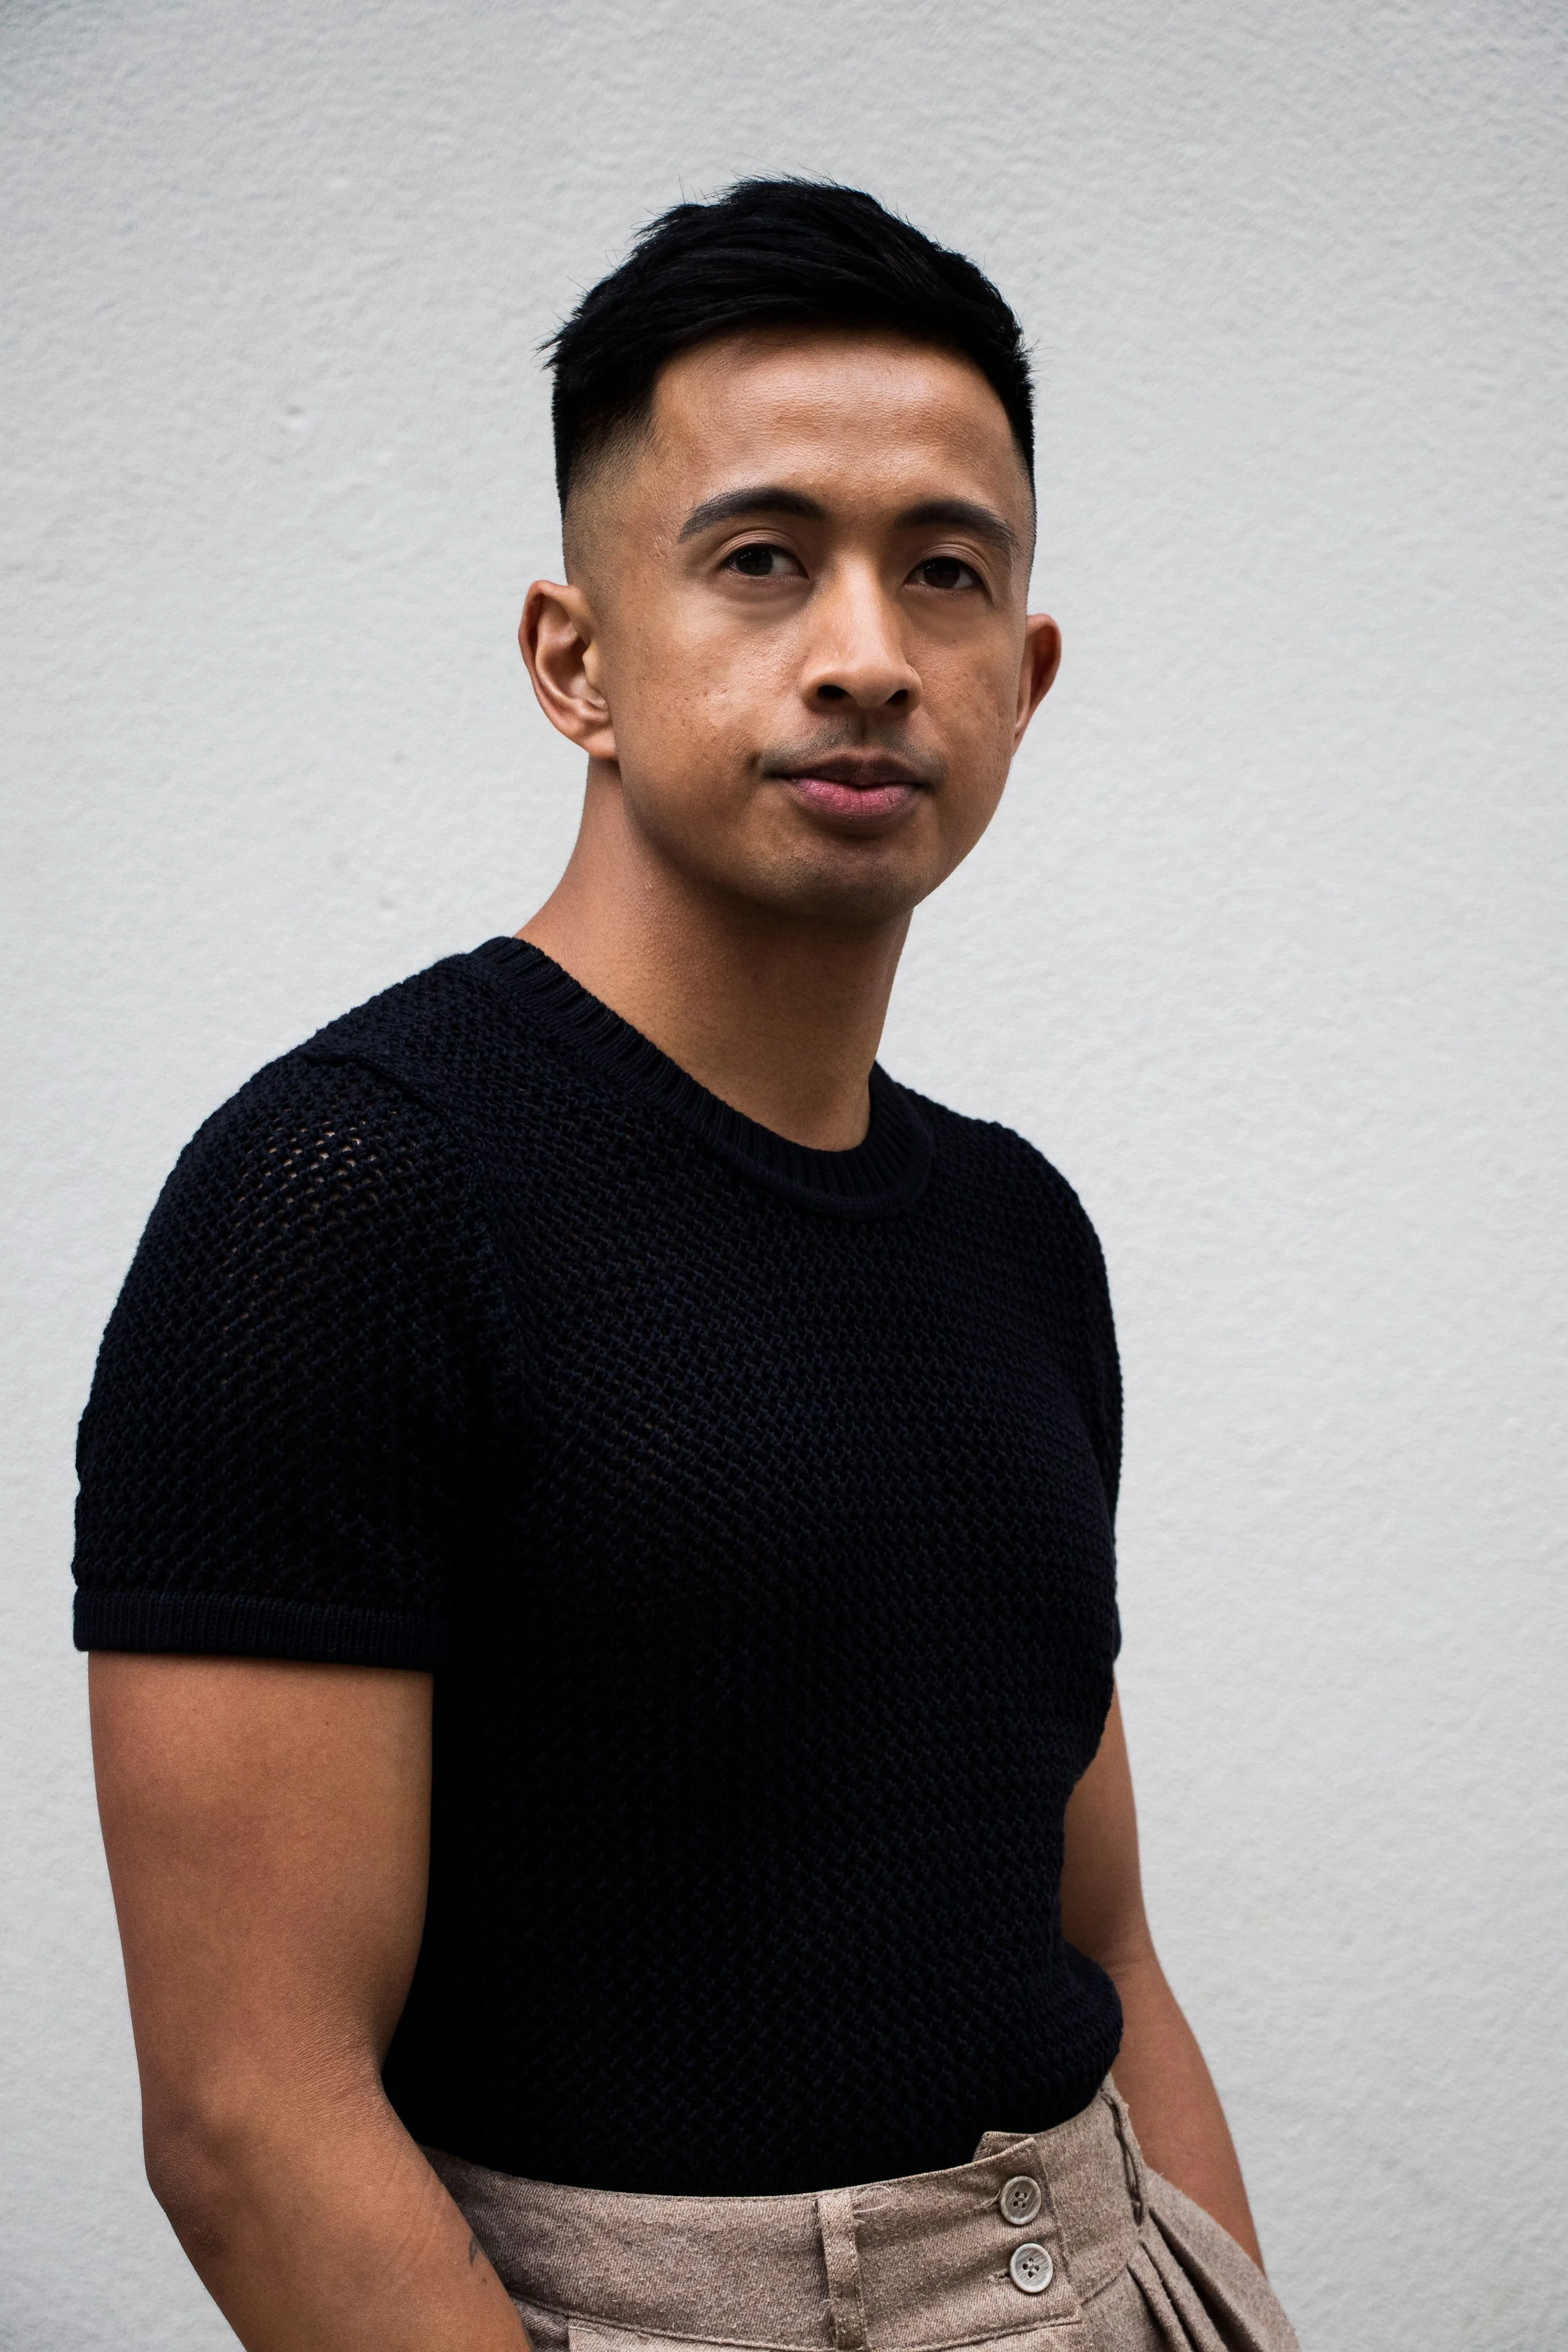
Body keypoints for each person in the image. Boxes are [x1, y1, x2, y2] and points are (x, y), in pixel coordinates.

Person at [76, 179, 1297, 2352]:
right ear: (578, 661)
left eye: (945, 574)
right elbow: (253, 2117)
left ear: (1021, 680)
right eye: (760, 560)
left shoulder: (1019, 1230)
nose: (862, 650)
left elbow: (1102, 1942)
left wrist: (1219, 2294)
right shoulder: (343, 1196)